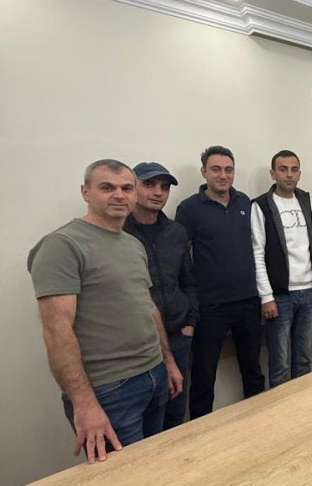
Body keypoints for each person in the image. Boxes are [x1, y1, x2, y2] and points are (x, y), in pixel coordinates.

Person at [28, 159, 183, 464]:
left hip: (153, 374)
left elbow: (147, 306)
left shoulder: (132, 244)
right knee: (125, 474)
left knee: (155, 467)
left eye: (126, 188)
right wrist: (84, 403)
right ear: (85, 192)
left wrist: (167, 361)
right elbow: (57, 330)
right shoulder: (62, 245)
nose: (119, 195)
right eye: (107, 187)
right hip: (109, 390)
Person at [176, 146, 264, 418]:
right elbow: (181, 257)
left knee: (253, 370)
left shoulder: (245, 202)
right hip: (210, 307)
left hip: (248, 301)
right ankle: (202, 431)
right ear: (204, 172)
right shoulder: (189, 208)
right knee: (204, 375)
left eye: (228, 170)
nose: (223, 175)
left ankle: (260, 421)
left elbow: (257, 247)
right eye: (216, 169)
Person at [123, 162, 199, 428]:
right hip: (140, 344)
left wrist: (190, 322)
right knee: (146, 421)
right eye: (149, 184)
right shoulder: (119, 232)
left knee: (175, 415)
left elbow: (188, 281)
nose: (158, 192)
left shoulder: (176, 231)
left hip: (178, 335)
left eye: (164, 187)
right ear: (133, 188)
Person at [251, 150, 312, 387]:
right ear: (273, 173)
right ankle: (281, 407)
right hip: (280, 296)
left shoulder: (304, 199)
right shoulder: (261, 205)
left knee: (303, 359)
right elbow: (257, 252)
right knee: (279, 363)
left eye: (294, 170)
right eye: (283, 169)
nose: (289, 175)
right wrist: (266, 297)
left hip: (308, 293)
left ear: (299, 174)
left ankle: (302, 404)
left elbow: (311, 245)